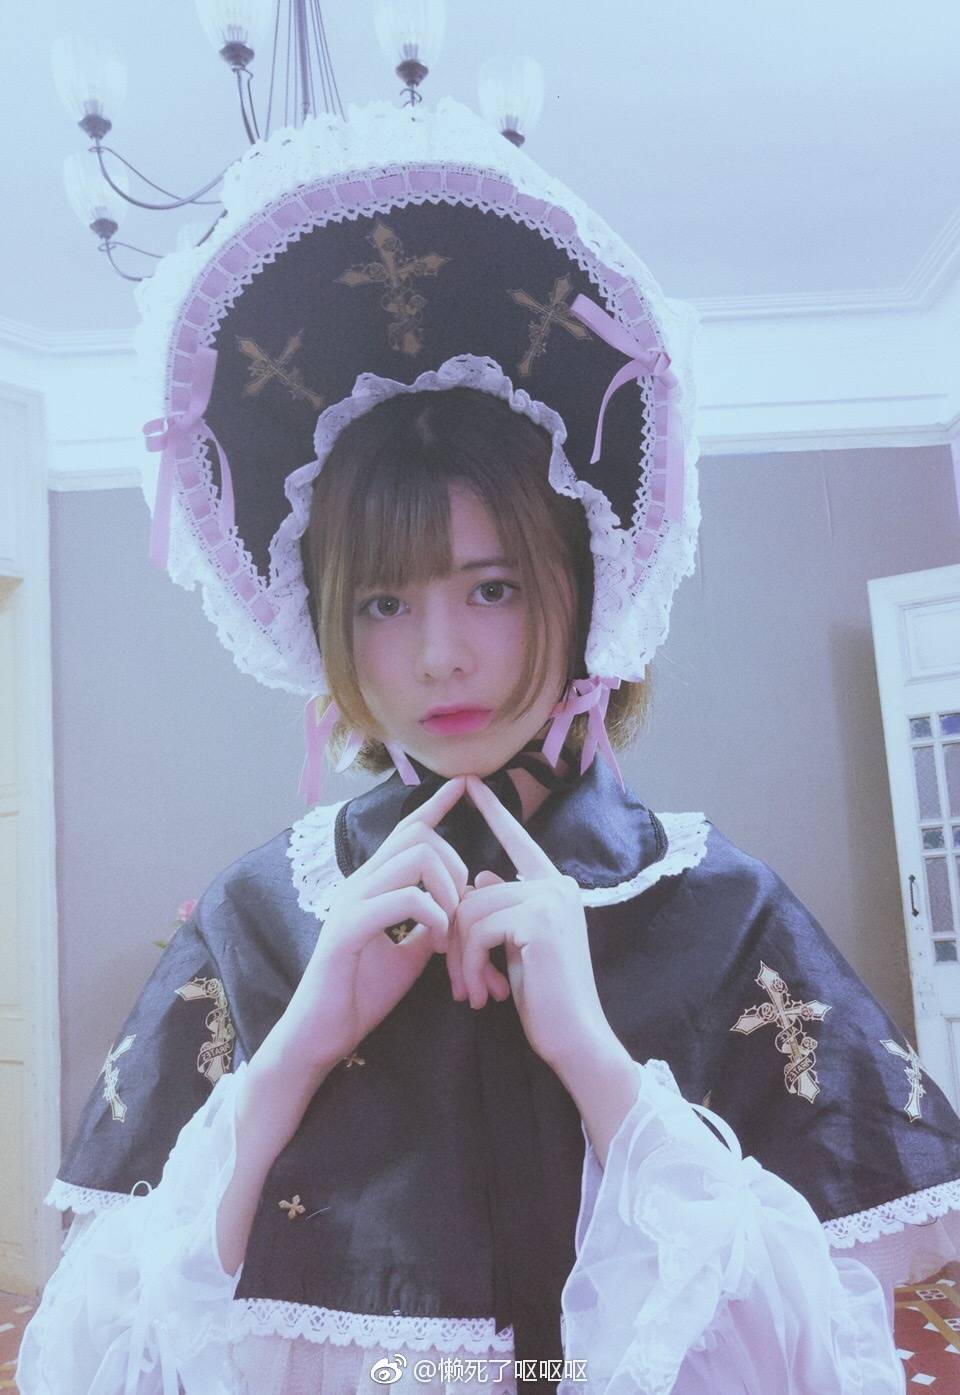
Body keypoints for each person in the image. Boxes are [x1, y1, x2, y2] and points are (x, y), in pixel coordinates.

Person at [18, 98, 960, 1394]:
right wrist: (296, 1049)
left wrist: (599, 1064)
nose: (440, 658)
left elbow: (811, 1358)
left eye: (494, 588)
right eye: (383, 604)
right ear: (325, 624)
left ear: (587, 585)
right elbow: (106, 1358)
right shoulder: (257, 915)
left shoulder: (723, 909)